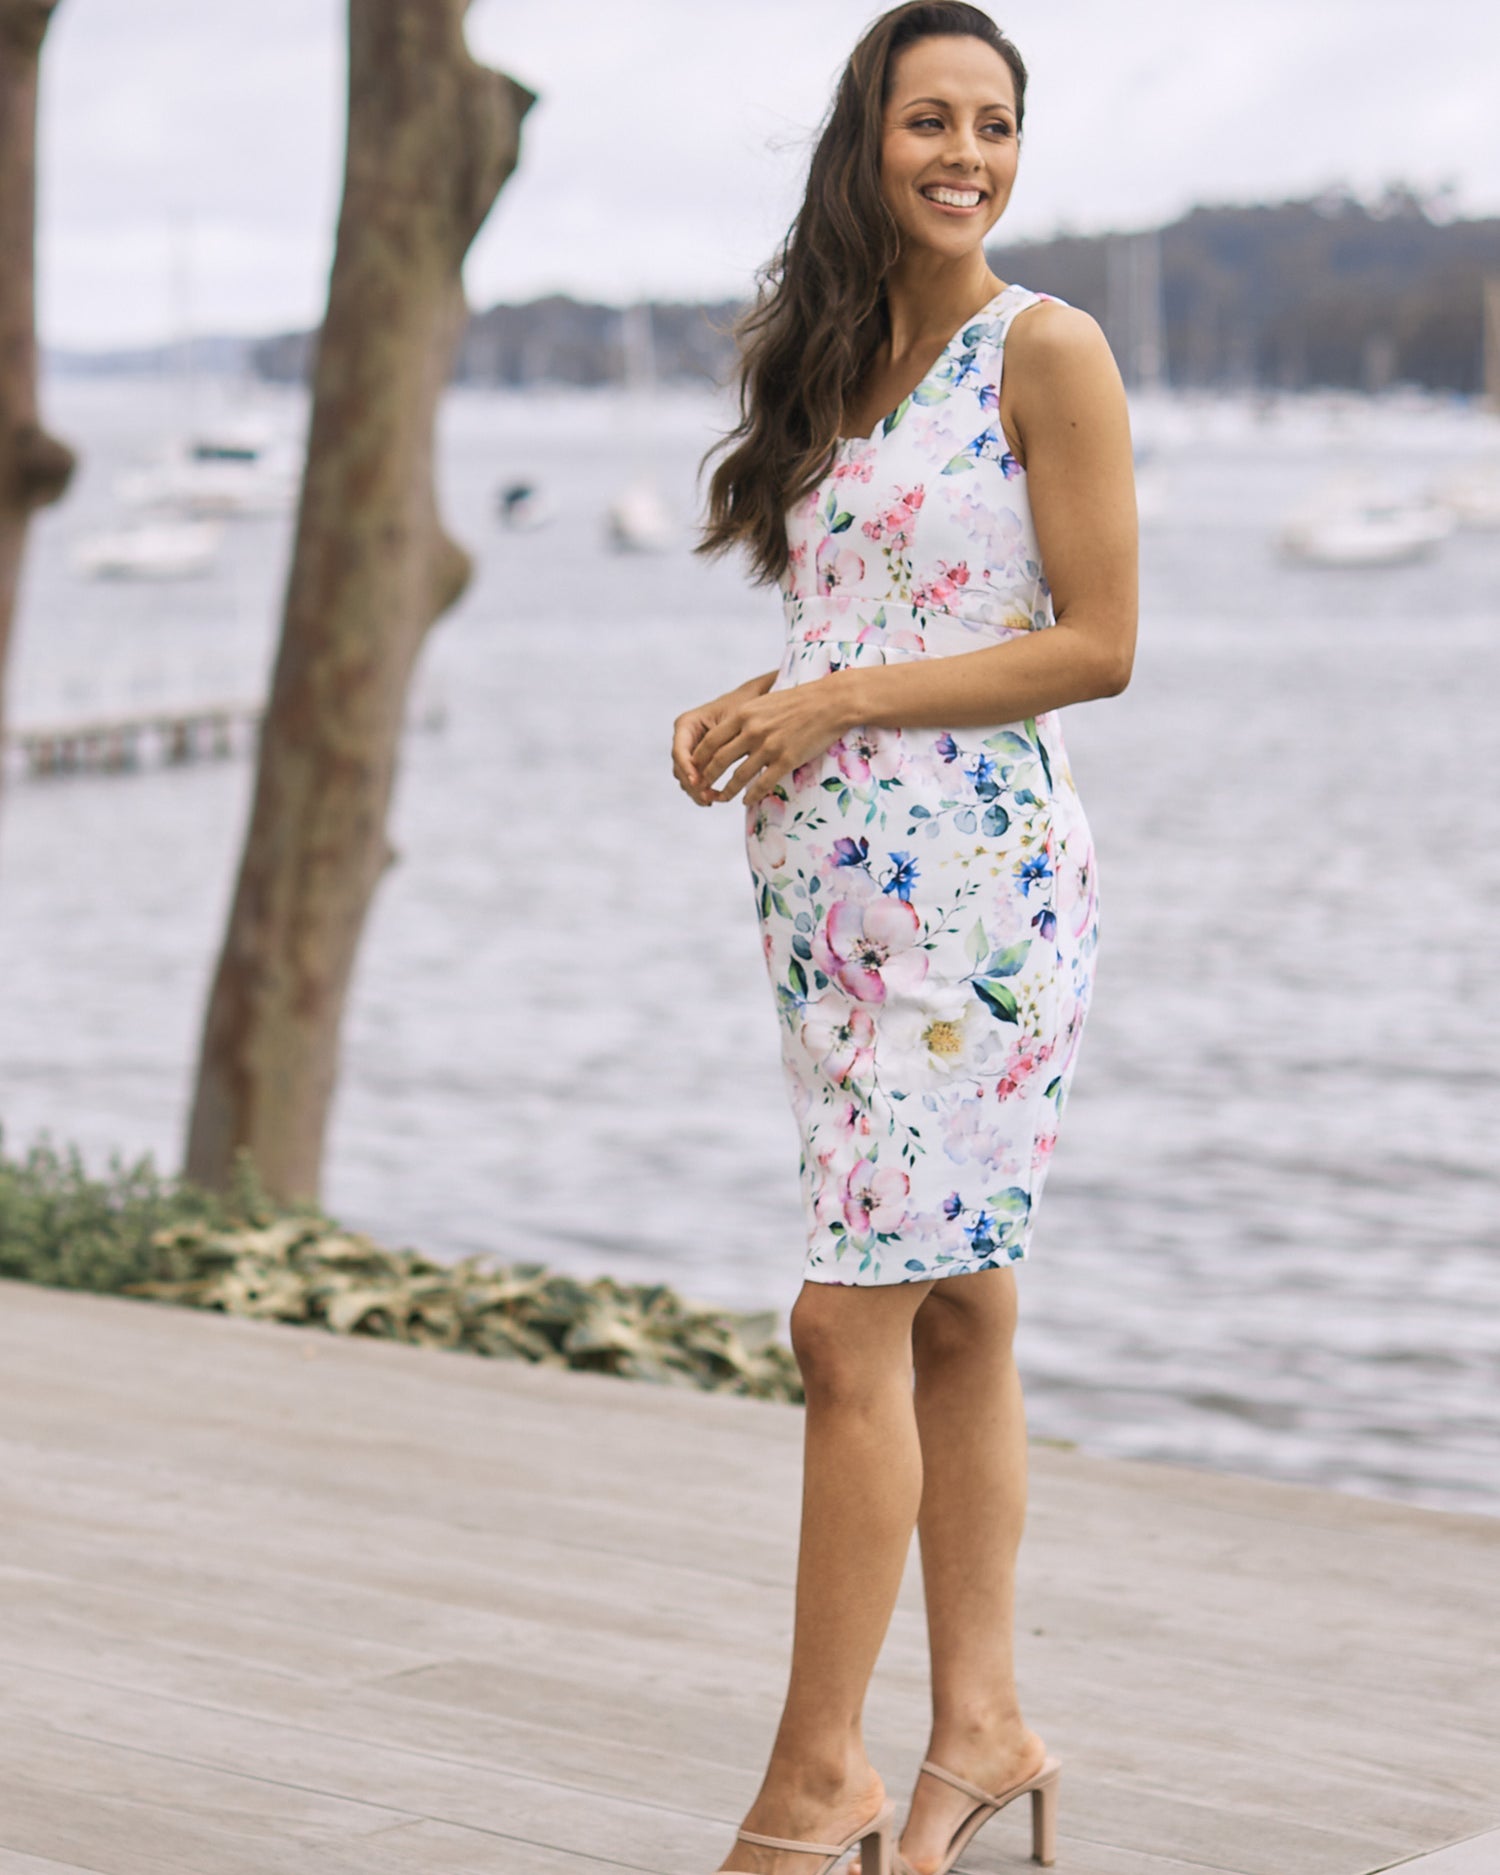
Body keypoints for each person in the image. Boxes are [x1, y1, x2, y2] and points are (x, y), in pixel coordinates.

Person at [674, 5, 1137, 1871]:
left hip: (979, 914)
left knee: (841, 1322)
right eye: (931, 119)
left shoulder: (1054, 350)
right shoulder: (840, 353)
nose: (966, 151)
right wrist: (759, 701)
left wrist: (836, 706)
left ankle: (816, 1785)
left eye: (997, 123)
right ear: (867, 138)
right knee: (958, 1306)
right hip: (832, 914)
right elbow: (879, 618)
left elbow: (1093, 645)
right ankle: (982, 1731)